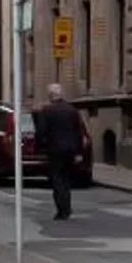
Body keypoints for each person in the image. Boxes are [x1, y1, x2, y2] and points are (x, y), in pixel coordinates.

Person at [33, 87, 90, 222]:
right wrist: (79, 152)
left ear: (50, 96)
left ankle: (62, 210)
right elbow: (79, 132)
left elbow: (41, 132)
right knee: (66, 178)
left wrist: (40, 147)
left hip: (55, 150)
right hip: (71, 150)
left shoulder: (46, 111)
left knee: (57, 179)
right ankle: (67, 207)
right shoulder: (72, 110)